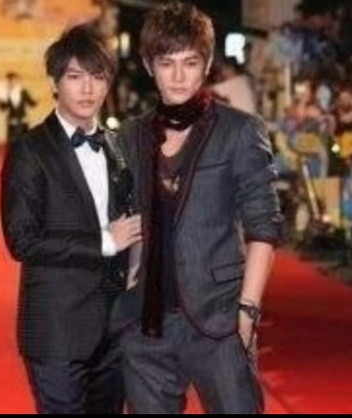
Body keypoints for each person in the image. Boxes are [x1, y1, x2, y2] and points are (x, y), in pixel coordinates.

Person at [114, 1, 283, 413]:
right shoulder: (131, 135)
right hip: (146, 325)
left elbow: (264, 226)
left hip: (219, 320)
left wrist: (248, 310)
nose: (178, 76)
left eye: (189, 63)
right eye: (166, 63)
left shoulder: (239, 131)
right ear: (149, 65)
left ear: (206, 64)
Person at [0, 24, 141, 414]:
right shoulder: (30, 150)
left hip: (113, 331)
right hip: (56, 331)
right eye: (76, 77)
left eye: (98, 76)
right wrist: (104, 241)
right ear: (55, 83)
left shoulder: (116, 146)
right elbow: (22, 239)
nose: (88, 88)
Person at [0, 71, 37, 149]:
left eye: (14, 80)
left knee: (25, 143)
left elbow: (32, 104)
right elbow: (3, 108)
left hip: (23, 121)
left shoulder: (23, 92)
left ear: (17, 81)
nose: (12, 82)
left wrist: (35, 101)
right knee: (11, 144)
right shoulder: (5, 94)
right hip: (12, 121)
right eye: (10, 81)